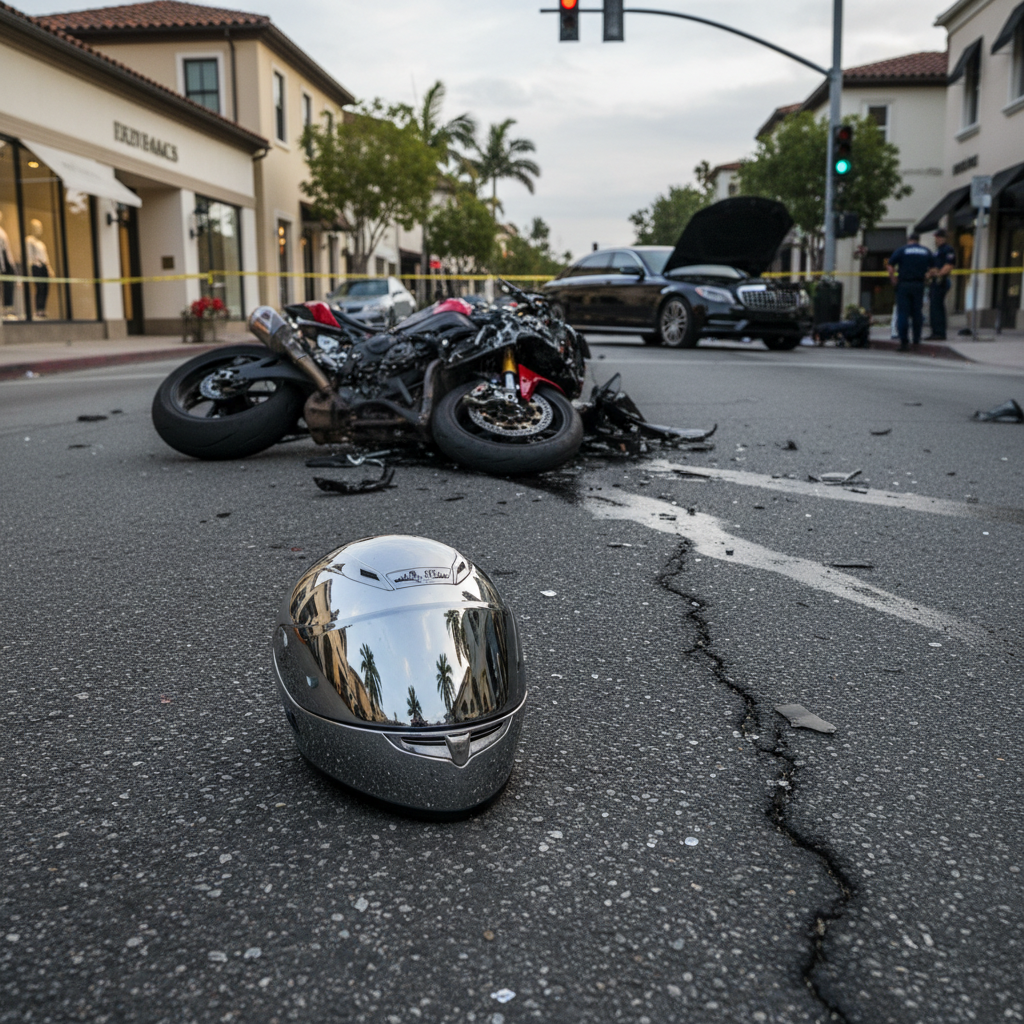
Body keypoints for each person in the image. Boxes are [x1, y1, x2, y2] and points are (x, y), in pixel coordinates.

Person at [887, 232, 933, 351]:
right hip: (918, 284)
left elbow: (890, 265)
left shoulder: (902, 250)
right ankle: (916, 340)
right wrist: (927, 276)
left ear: (909, 240)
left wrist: (893, 279)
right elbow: (933, 268)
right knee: (917, 313)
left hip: (904, 284)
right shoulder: (926, 251)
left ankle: (904, 342)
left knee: (903, 313)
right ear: (918, 240)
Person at [927, 228, 955, 340]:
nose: (936, 239)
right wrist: (930, 273)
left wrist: (939, 274)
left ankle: (940, 332)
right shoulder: (937, 251)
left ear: (943, 238)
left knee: (937, 306)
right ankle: (935, 332)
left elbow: (949, 265)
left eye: (938, 237)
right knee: (934, 307)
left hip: (941, 281)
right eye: (935, 237)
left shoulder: (948, 249)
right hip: (934, 281)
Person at [25, 218, 53, 318]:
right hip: (36, 266)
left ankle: (42, 309)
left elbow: (46, 258)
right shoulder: (29, 240)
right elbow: (28, 256)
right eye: (37, 227)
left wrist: (49, 269)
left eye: (40, 227)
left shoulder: (41, 244)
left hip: (44, 267)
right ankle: (38, 310)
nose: (39, 229)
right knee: (40, 288)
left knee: (45, 288)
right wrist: (29, 270)